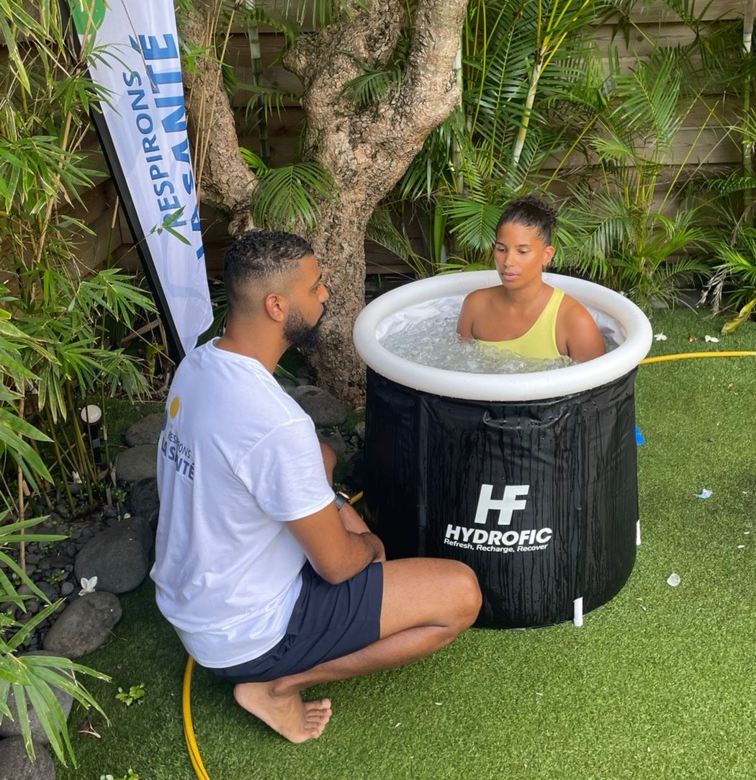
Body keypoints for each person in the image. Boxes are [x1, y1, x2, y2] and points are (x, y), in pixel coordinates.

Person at [152, 231, 481, 745]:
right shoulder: (276, 425)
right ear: (277, 306)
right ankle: (280, 685)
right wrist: (368, 543)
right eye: (316, 285)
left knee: (324, 458)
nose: (325, 294)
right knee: (459, 594)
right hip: (247, 632)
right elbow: (340, 566)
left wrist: (328, 491)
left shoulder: (199, 365)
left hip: (195, 601)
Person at [457, 196, 606, 362]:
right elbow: (460, 365)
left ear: (546, 255)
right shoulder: (475, 306)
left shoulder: (575, 322)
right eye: (501, 249)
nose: (508, 262)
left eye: (522, 252)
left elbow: (600, 378)